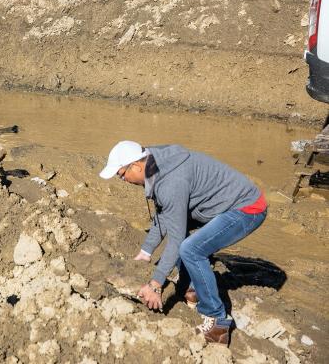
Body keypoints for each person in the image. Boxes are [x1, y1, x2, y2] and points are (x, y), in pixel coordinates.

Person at [99, 141, 268, 345]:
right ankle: (193, 289)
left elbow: (177, 238)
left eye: (121, 174)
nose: (123, 180)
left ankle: (217, 322)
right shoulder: (154, 162)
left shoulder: (171, 182)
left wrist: (155, 284)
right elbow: (165, 214)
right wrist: (146, 251)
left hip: (247, 209)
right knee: (184, 233)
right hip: (221, 204)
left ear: (135, 166)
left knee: (191, 249)